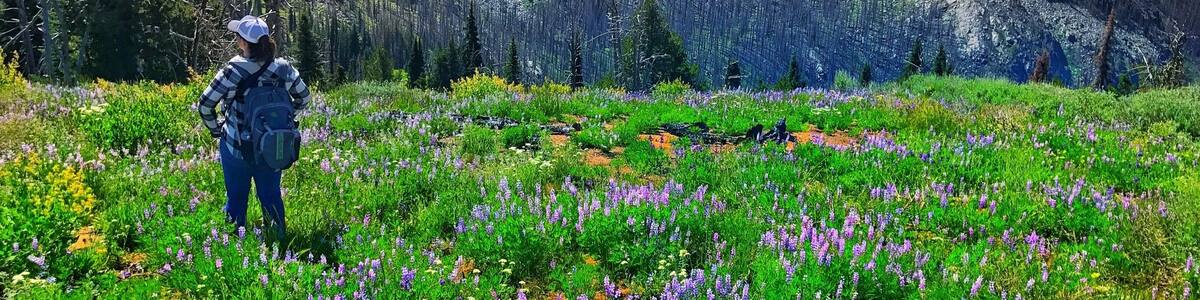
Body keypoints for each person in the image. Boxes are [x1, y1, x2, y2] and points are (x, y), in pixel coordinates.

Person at [197, 15, 310, 240]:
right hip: (272, 144)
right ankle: (278, 241)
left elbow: (205, 104)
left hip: (236, 145)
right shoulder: (283, 68)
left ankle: (234, 243)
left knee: (236, 197)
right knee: (271, 195)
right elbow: (304, 98)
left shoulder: (233, 70)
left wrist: (215, 128)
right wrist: (284, 120)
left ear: (243, 42)